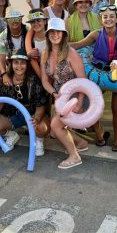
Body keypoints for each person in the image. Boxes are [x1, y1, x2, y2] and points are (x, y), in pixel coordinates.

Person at [71, 6, 117, 151]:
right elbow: (77, 45)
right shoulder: (95, 35)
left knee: (116, 108)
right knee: (93, 106)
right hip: (98, 73)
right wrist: (57, 46)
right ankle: (100, 135)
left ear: (116, 19)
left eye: (111, 16)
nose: (108, 19)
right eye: (105, 17)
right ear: (101, 20)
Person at [0, 49, 50, 156]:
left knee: (42, 128)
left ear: (27, 65)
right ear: (11, 64)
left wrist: (36, 118)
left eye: (22, 63)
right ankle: (11, 135)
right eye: (16, 62)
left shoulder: (34, 80)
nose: (19, 66)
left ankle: (39, 140)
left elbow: (41, 105)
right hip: (12, 115)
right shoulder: (4, 80)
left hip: (31, 113)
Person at [41, 18, 88, 169]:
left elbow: (83, 81)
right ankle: (81, 143)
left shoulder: (71, 53)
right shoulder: (45, 54)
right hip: (60, 98)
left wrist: (80, 103)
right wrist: (54, 93)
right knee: (55, 132)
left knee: (55, 126)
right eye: (52, 32)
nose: (55, 34)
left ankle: (74, 156)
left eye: (58, 32)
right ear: (48, 34)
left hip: (76, 96)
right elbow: (45, 81)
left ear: (63, 34)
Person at [0, 7, 28, 87]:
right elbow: (1, 60)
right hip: (11, 67)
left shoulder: (28, 31)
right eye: (11, 19)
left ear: (21, 19)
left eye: (17, 19)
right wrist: (4, 75)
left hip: (28, 65)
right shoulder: (3, 36)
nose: (14, 21)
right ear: (6, 21)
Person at [24, 9, 48, 78]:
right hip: (37, 78)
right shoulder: (30, 41)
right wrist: (28, 56)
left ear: (45, 21)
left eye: (38, 20)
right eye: (33, 22)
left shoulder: (53, 36)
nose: (36, 24)